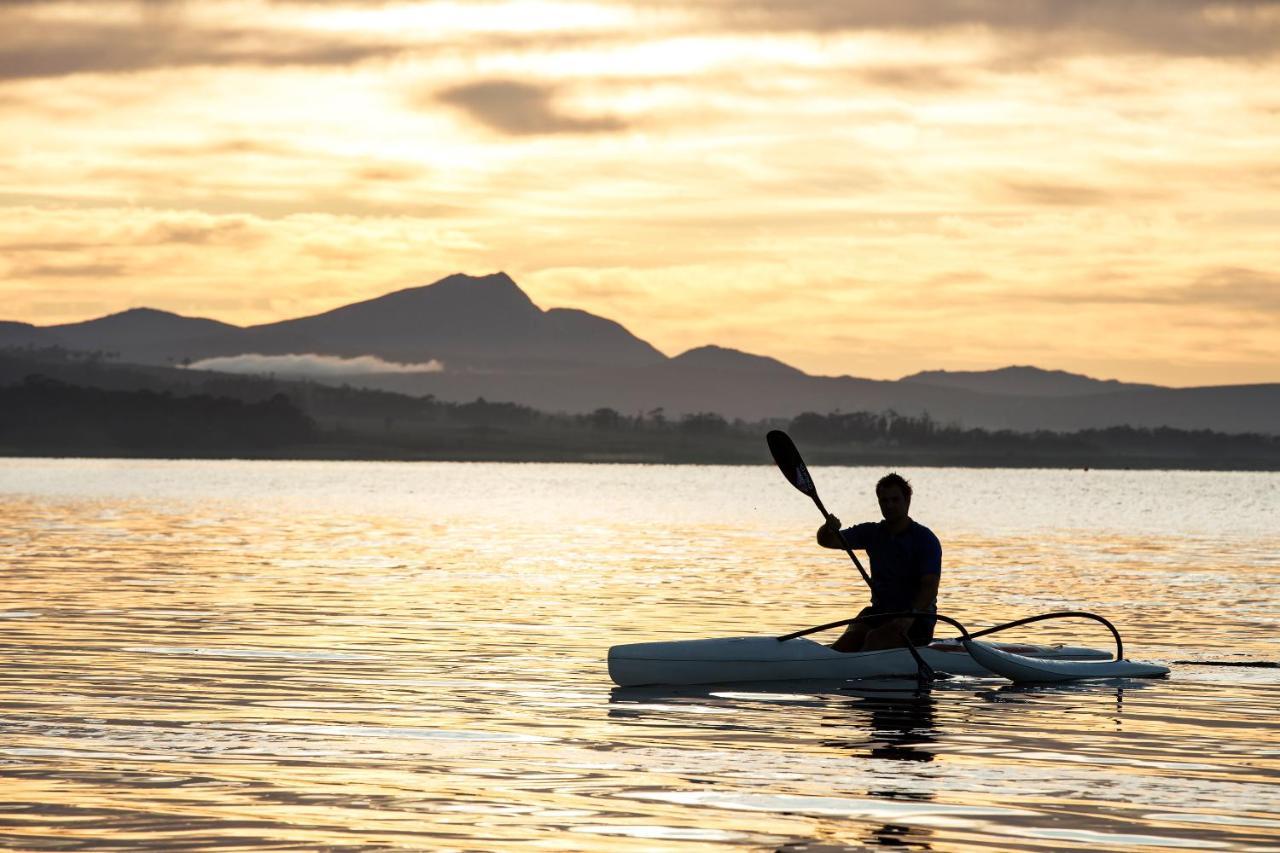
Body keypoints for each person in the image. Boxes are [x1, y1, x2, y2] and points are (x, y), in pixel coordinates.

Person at [816, 473, 941, 652]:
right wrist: (827, 528)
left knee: (874, 640)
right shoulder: (872, 532)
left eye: (895, 500)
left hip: (916, 619)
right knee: (847, 642)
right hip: (881, 612)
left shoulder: (925, 539)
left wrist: (909, 617)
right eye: (884, 501)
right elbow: (827, 541)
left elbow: (930, 587)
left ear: (907, 501)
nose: (889, 505)